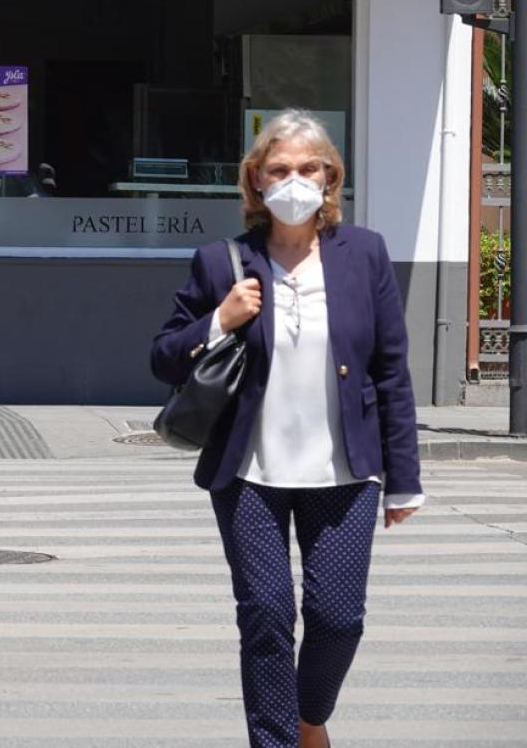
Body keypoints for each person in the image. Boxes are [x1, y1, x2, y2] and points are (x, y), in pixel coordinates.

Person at [150, 109, 424, 748]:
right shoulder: (224, 262)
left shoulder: (366, 255)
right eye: (279, 169)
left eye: (308, 168)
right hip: (249, 474)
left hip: (345, 473)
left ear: (331, 178)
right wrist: (219, 319)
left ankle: (308, 720)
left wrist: (403, 479)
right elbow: (162, 356)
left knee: (338, 618)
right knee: (266, 617)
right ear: (255, 180)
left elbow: (391, 370)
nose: (294, 181)